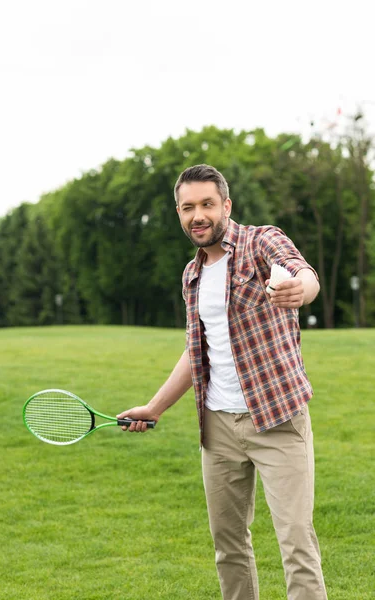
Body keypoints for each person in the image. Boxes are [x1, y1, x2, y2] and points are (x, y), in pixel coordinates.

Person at [117, 164, 328, 600]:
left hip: (277, 419)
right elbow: (198, 352)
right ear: (178, 212)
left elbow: (301, 272)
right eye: (188, 207)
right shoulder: (191, 277)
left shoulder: (259, 241)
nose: (199, 215)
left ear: (225, 206)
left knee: (296, 542)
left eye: (207, 205)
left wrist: (299, 289)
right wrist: (154, 408)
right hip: (217, 427)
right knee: (229, 547)